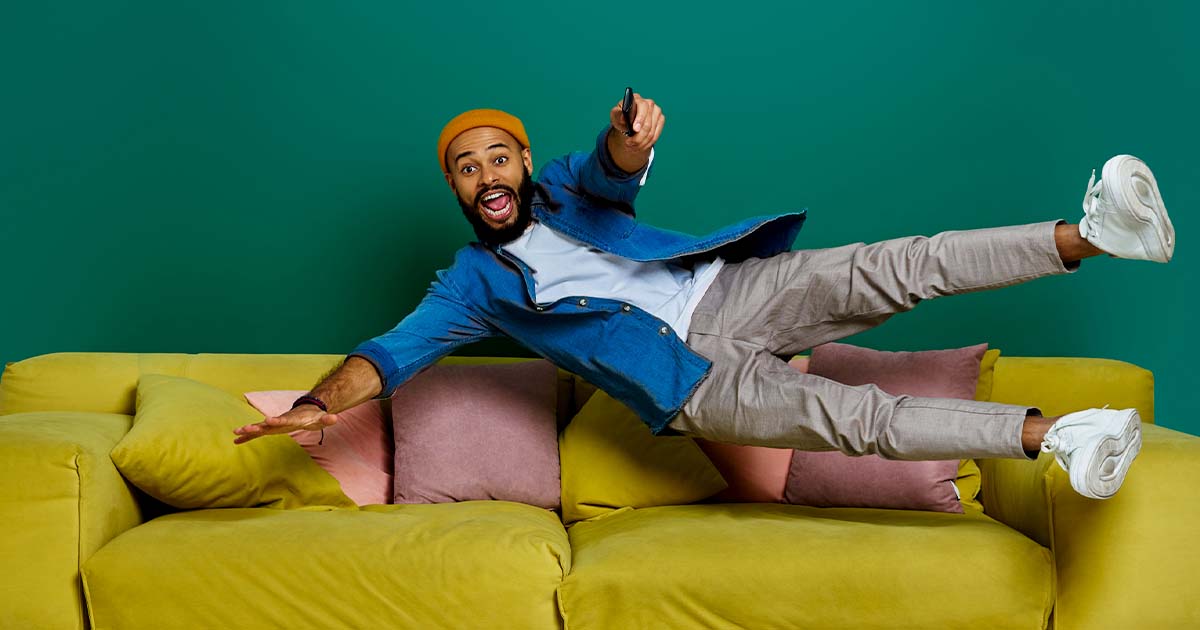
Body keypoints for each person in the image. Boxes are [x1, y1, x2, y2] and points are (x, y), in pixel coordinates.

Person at [234, 94, 1175, 500]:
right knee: (859, 420)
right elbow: (388, 355)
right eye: (464, 166)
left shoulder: (565, 185)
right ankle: (1062, 438)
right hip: (686, 385)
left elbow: (615, 169)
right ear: (456, 190)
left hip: (732, 292)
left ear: (522, 163)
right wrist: (319, 404)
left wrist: (632, 141)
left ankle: (1098, 234)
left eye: (496, 155)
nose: (485, 172)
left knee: (902, 263)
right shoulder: (470, 286)